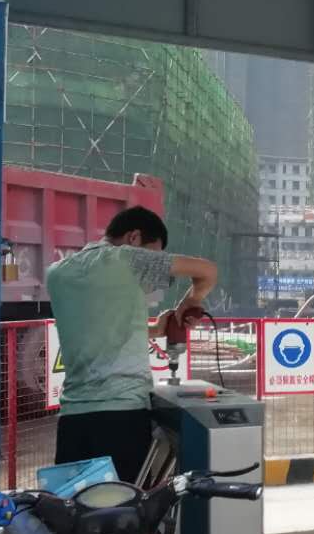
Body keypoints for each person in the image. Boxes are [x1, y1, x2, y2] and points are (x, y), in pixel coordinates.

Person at [46, 206, 216, 482]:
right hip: (122, 419)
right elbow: (207, 271)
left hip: (72, 422)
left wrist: (155, 329)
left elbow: (98, 328)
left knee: (75, 505)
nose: (152, 262)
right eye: (153, 254)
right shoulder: (128, 259)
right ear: (133, 237)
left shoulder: (57, 273)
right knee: (127, 506)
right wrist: (190, 302)